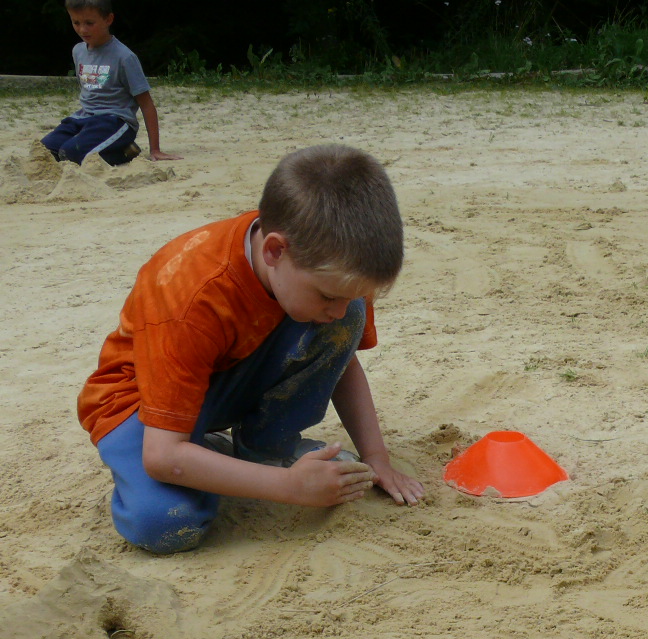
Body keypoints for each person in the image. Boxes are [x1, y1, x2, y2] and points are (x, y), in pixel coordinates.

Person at [77, 144, 425, 554]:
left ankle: (264, 448)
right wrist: (289, 487)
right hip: (138, 405)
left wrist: (377, 458)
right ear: (274, 251)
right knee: (165, 524)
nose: (339, 308)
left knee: (345, 318)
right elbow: (162, 455)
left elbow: (341, 363)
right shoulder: (191, 294)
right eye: (329, 296)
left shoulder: (327, 266)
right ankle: (213, 457)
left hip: (220, 380)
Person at [43, 1, 179, 166]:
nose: (82, 30)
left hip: (114, 121)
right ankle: (104, 146)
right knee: (45, 151)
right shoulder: (78, 51)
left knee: (70, 153)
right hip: (84, 117)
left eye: (89, 23)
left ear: (108, 19)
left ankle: (125, 151)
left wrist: (155, 149)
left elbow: (146, 103)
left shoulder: (125, 57)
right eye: (76, 23)